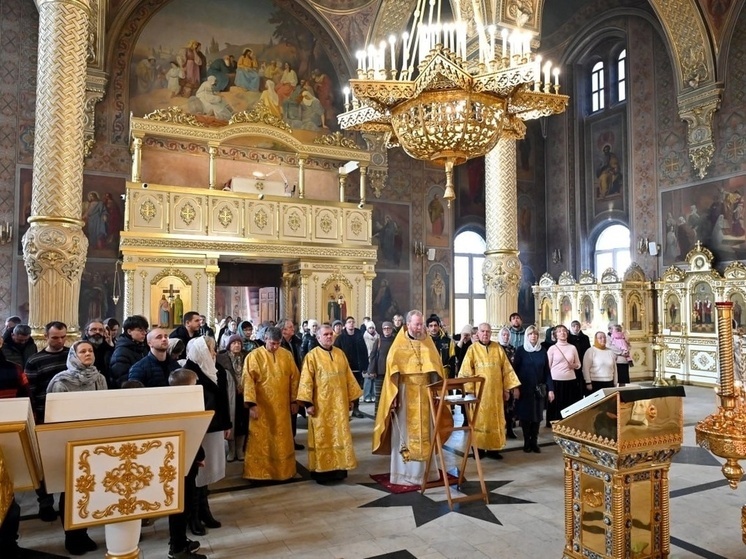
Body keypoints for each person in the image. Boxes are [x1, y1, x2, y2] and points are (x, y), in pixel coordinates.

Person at [373, 310, 450, 486]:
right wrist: (394, 396)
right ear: (408, 324)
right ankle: (404, 474)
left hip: (425, 393)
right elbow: (393, 373)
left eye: (421, 324)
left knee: (427, 432)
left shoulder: (428, 341)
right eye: (416, 324)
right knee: (406, 434)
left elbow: (436, 369)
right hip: (405, 393)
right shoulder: (399, 344)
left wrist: (437, 391)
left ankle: (426, 473)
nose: (420, 327)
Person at [47, 340, 106, 555]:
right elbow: (55, 414)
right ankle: (72, 536)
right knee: (71, 490)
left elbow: (106, 408)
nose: (88, 354)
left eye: (90, 351)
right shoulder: (61, 381)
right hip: (69, 440)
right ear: (74, 355)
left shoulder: (99, 377)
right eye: (83, 351)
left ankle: (84, 532)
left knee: (89, 488)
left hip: (94, 440)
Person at [298, 324, 363, 484]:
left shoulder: (340, 354)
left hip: (339, 405)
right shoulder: (312, 356)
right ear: (318, 337)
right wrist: (308, 404)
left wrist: (351, 400)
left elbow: (348, 378)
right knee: (323, 438)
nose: (329, 337)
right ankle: (322, 472)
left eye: (330, 334)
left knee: (339, 436)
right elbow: (306, 381)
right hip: (321, 406)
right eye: (325, 334)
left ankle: (339, 470)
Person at [184, 336, 230, 536]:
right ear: (201, 351)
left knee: (208, 471)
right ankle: (192, 517)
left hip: (215, 425)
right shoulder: (188, 372)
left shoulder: (216, 369)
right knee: (196, 474)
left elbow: (223, 399)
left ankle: (205, 510)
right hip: (198, 428)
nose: (214, 353)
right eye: (211, 349)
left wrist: (227, 424)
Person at [24, 321, 69, 521]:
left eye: (63, 337)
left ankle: (68, 501)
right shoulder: (35, 360)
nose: (59, 341)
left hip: (70, 417)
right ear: (46, 336)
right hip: (45, 417)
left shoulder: (72, 355)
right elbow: (30, 392)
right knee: (46, 462)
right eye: (55, 337)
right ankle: (46, 502)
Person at [242, 326, 299, 481]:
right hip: (262, 406)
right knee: (261, 438)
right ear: (265, 339)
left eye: (278, 344)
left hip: (282, 407)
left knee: (281, 439)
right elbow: (248, 381)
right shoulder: (254, 356)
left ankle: (283, 471)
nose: (274, 347)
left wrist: (294, 401)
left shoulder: (287, 355)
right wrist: (251, 404)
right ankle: (258, 473)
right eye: (272, 343)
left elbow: (294, 379)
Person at [458, 322, 521, 459]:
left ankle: (493, 450)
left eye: (488, 331)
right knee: (479, 422)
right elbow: (465, 372)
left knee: (495, 421)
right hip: (479, 394)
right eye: (483, 331)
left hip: (496, 394)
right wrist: (469, 392)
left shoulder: (497, 348)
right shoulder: (472, 349)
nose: (485, 334)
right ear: (478, 333)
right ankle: (478, 450)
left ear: (490, 333)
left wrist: (506, 389)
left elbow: (506, 370)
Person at [167, 368, 207, 559]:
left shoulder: (175, 403)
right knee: (180, 504)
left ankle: (180, 540)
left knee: (183, 503)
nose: (198, 387)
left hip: (184, 459)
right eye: (195, 384)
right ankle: (177, 549)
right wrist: (199, 455)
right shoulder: (181, 407)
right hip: (182, 460)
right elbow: (190, 434)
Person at [512, 326, 552, 453]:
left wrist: (550, 389)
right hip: (525, 389)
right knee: (525, 416)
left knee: (538, 416)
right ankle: (526, 442)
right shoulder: (521, 351)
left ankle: (534, 441)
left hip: (538, 389)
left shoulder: (542, 351)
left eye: (535, 334)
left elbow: (547, 372)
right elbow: (514, 372)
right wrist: (516, 388)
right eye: (530, 334)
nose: (533, 336)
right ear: (527, 336)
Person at [216, 334, 248, 462]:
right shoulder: (222, 359)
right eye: (234, 343)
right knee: (231, 422)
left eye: (239, 343)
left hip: (244, 395)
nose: (237, 345)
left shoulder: (246, 357)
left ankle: (240, 449)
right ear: (229, 345)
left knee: (243, 422)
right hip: (229, 394)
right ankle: (231, 450)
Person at [334, 316, 369, 418]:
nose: (351, 324)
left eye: (353, 322)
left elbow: (364, 351)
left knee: (356, 389)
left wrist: (365, 366)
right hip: (345, 368)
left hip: (357, 367)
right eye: (349, 322)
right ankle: (345, 410)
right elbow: (336, 353)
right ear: (345, 325)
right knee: (345, 390)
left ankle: (356, 409)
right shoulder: (340, 338)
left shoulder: (359, 336)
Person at [546, 325, 582, 423]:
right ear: (556, 335)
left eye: (564, 331)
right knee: (557, 408)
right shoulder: (552, 348)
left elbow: (579, 364)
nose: (562, 333)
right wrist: (549, 387)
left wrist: (574, 366)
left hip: (571, 381)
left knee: (569, 406)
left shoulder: (572, 347)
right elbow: (547, 368)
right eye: (559, 331)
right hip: (556, 381)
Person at [109, 315, 149, 386]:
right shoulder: (121, 352)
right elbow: (122, 379)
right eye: (140, 330)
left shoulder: (144, 347)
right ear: (129, 331)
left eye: (145, 330)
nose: (144, 333)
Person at [367, 321, 396, 415]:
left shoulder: (396, 341)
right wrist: (372, 370)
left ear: (392, 329)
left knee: (391, 395)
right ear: (382, 330)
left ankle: (389, 417)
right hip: (380, 372)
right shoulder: (378, 341)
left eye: (388, 328)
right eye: (385, 328)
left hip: (392, 372)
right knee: (379, 396)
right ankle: (378, 416)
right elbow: (373, 355)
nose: (386, 330)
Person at [497, 326, 518, 439]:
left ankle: (510, 429)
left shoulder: (513, 348)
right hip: (498, 382)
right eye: (504, 335)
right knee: (500, 407)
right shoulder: (496, 348)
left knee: (511, 407)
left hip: (510, 381)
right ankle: (500, 430)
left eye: (508, 335)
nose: (506, 337)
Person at [81, 319, 113, 387]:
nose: (97, 332)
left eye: (100, 330)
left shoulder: (108, 348)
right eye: (94, 329)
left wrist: (111, 345)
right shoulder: (80, 349)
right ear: (86, 332)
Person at [362, 321, 379, 402]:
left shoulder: (378, 337)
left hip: (375, 358)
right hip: (367, 358)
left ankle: (373, 395)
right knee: (368, 377)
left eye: (372, 328)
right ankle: (367, 395)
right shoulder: (364, 337)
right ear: (367, 329)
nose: (371, 329)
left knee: (374, 377)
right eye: (370, 328)